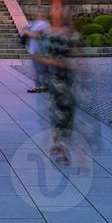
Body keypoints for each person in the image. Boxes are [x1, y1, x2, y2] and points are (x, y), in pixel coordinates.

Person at [39, 11, 78, 165]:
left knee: (68, 115)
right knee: (58, 115)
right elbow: (42, 58)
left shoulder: (70, 36)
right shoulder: (49, 38)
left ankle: (58, 144)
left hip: (69, 82)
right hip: (56, 81)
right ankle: (60, 148)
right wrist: (60, 63)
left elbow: (75, 54)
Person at [24, 16, 51, 93]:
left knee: (40, 69)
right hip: (35, 50)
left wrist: (27, 32)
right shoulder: (35, 23)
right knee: (40, 69)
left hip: (39, 51)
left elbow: (37, 35)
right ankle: (43, 86)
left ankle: (40, 86)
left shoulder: (43, 24)